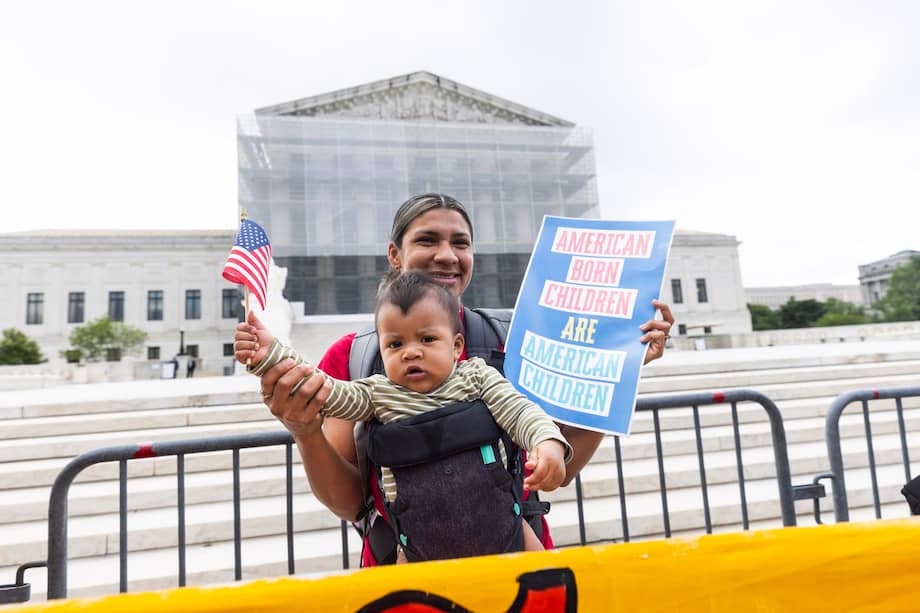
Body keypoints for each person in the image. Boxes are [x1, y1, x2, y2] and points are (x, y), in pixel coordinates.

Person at [234, 192, 675, 565]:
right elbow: (349, 503)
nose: (447, 254)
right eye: (427, 240)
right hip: (407, 573)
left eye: (460, 243)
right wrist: (304, 431)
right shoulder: (351, 357)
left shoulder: (512, 343)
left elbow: (557, 469)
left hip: (511, 560)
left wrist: (618, 372)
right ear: (394, 255)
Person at [236, 270, 572, 562]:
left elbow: (521, 410)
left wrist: (547, 442)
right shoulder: (377, 394)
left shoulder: (477, 377)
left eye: (427, 339)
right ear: (381, 349)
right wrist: (271, 355)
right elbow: (322, 389)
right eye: (395, 344)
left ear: (456, 346)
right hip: (416, 551)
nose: (411, 351)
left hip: (507, 533)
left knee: (548, 584)